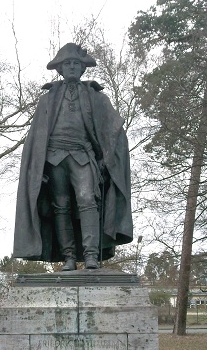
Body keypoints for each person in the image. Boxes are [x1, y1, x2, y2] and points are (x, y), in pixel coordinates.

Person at [13, 43, 133, 270]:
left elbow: (114, 129)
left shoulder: (96, 97)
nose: (71, 67)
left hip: (82, 154)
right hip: (54, 157)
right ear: (59, 68)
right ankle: (68, 256)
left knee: (88, 200)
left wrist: (107, 158)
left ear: (82, 68)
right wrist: (38, 169)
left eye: (76, 64)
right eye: (67, 63)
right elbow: (36, 138)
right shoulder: (47, 99)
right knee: (61, 205)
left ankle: (90, 255)